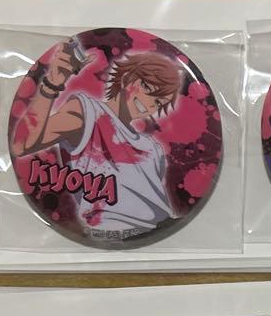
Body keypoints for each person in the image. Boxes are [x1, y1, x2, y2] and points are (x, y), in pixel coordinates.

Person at [10, 42, 185, 236]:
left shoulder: (154, 148)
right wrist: (51, 85)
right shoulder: (88, 112)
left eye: (159, 102)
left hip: (164, 231)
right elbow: (21, 145)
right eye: (147, 87)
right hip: (112, 231)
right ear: (127, 78)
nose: (150, 103)